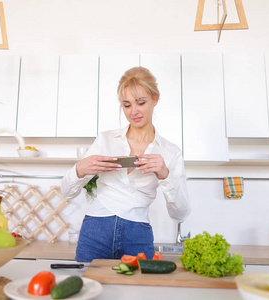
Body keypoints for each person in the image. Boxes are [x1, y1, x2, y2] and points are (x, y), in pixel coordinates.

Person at [61, 66, 190, 262]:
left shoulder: (170, 152)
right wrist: (80, 169)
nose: (134, 112)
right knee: (87, 289)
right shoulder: (105, 139)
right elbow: (66, 192)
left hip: (138, 235)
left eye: (141, 102)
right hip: (95, 231)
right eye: (127, 105)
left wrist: (165, 175)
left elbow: (180, 214)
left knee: (138, 293)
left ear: (155, 99)